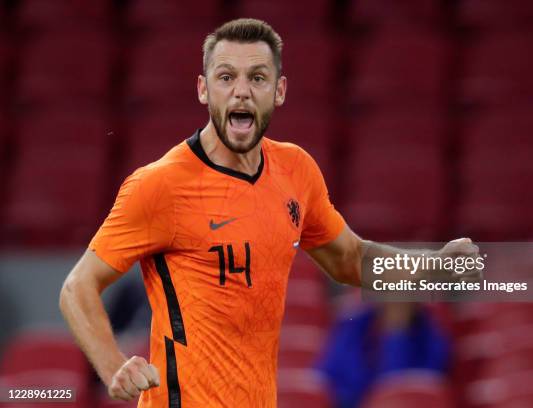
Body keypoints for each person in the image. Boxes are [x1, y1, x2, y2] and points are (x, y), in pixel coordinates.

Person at [59, 18, 478, 408]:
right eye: (226, 77)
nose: (241, 91)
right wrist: (114, 365)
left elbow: (351, 260)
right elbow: (77, 289)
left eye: (257, 77)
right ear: (204, 90)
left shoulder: (296, 170)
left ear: (278, 91)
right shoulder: (159, 185)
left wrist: (432, 266)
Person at [317, 302, 451, 408]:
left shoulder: (432, 340)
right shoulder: (352, 327)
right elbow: (327, 382)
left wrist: (397, 334)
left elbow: (400, 394)